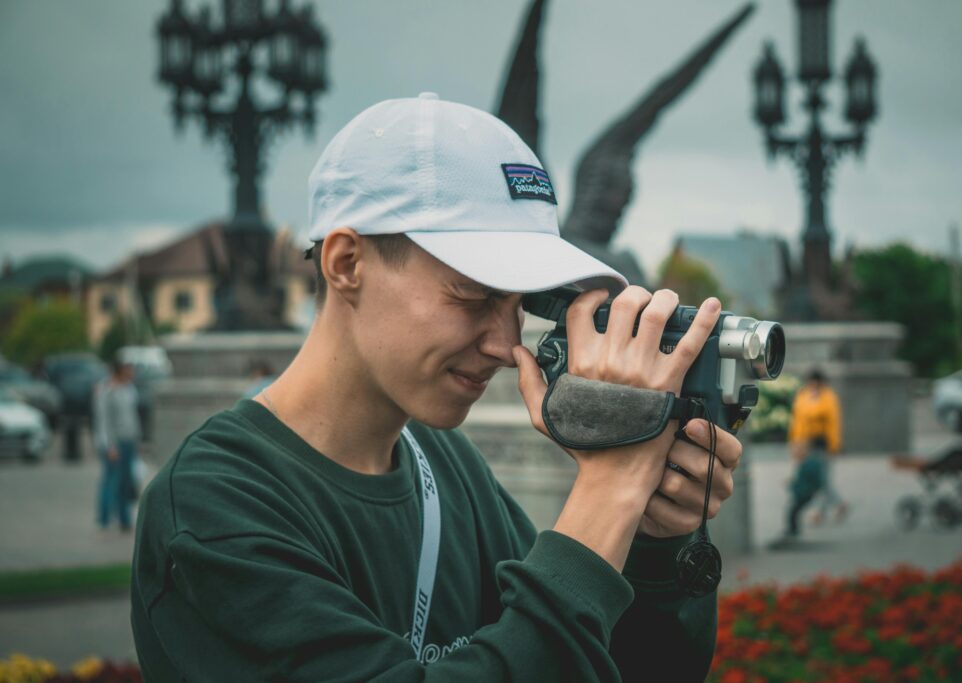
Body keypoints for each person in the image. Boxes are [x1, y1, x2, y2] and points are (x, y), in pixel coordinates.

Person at [131, 93, 743, 681]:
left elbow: (618, 668)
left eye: (519, 305)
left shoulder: (444, 462)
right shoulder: (215, 508)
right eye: (473, 296)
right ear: (346, 264)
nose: (507, 345)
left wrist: (652, 542)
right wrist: (610, 486)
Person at [784, 368, 845, 538]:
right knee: (816, 479)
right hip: (805, 444)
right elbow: (797, 421)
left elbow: (833, 422)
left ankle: (821, 511)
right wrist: (795, 442)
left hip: (821, 444)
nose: (812, 385)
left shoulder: (828, 397)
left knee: (822, 479)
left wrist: (834, 445)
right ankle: (836, 505)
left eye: (815, 382)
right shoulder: (803, 396)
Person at [92, 359, 141, 533]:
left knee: (125, 482)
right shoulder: (107, 390)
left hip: (129, 440)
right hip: (115, 443)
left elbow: (133, 415)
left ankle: (124, 519)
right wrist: (109, 445)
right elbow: (103, 421)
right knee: (111, 480)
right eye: (129, 369)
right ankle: (104, 519)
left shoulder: (129, 388)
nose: (132, 373)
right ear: (121, 370)